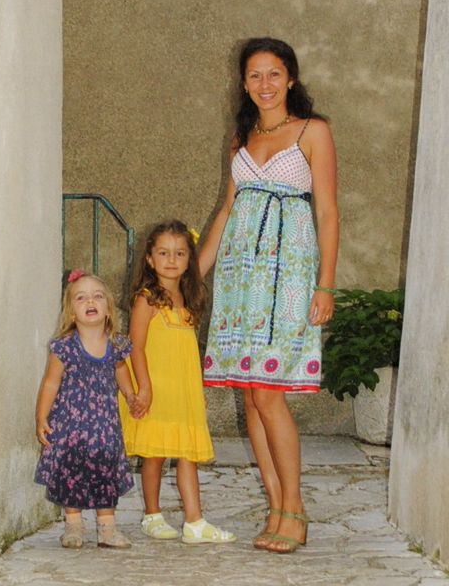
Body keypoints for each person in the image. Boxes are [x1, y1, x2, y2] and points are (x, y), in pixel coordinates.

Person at [199, 37, 339, 554]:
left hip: (289, 277)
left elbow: (328, 213)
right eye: (255, 75)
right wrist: (190, 279)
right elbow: (226, 212)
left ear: (291, 78)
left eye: (274, 73)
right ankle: (277, 506)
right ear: (244, 82)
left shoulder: (312, 131)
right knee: (250, 396)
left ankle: (295, 508)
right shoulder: (241, 136)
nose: (265, 84)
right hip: (240, 279)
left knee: (268, 394)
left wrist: (326, 283)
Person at [119, 220, 236, 544]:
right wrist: (144, 388)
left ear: (189, 260)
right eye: (163, 253)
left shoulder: (188, 297)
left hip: (182, 391)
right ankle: (152, 516)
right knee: (154, 454)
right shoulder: (147, 299)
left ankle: (194, 522)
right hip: (155, 389)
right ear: (149, 258)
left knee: (188, 453)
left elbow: (186, 351)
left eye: (180, 253)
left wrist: (195, 390)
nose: (171, 259)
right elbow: (135, 346)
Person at [35, 269, 145, 549]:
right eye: (81, 298)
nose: (90, 301)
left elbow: (121, 371)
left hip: (104, 427)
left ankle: (107, 530)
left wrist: (130, 394)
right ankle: (73, 527)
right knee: (71, 474)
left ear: (108, 308)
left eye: (97, 296)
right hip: (70, 426)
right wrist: (41, 417)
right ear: (71, 312)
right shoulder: (64, 347)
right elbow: (50, 383)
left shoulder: (116, 345)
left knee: (105, 473)